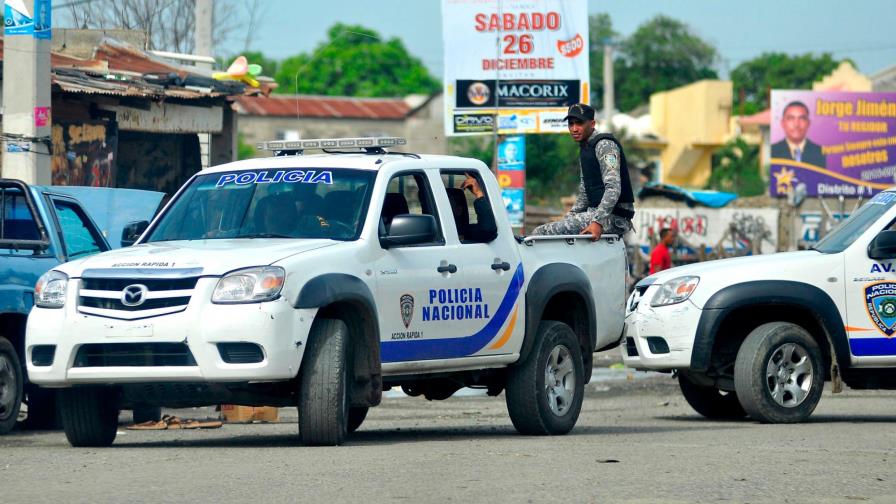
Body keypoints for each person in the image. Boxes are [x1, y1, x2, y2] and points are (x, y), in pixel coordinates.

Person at [531, 103, 634, 240]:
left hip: (615, 217)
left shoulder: (604, 145)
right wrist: (569, 217)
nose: (574, 129)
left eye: (579, 123)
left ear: (592, 124)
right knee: (555, 229)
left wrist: (598, 221)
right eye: (571, 124)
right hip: (596, 214)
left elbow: (613, 188)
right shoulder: (586, 148)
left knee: (540, 233)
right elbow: (585, 192)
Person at [771, 101, 826, 168]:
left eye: (802, 118)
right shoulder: (772, 152)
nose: (796, 124)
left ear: (808, 123)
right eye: (791, 118)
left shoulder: (821, 153)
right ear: (783, 123)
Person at [446, 173, 497, 243]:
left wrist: (478, 193)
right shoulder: (433, 231)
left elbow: (488, 232)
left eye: (447, 205)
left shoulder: (465, 232)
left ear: (458, 210)